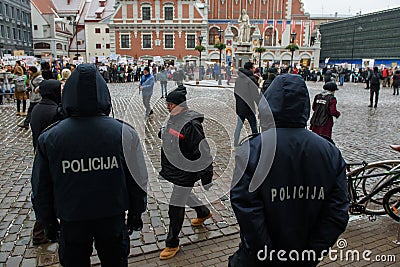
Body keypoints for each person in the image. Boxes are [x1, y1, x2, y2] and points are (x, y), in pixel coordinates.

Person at [31, 64, 148, 267]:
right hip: (112, 218)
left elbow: (41, 186)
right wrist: (137, 212)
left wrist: (47, 221)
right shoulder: (124, 133)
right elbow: (138, 179)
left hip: (72, 219)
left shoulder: (50, 137)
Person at [229, 74, 349, 266]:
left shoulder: (252, 150)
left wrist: (267, 254)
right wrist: (311, 253)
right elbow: (337, 212)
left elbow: (246, 208)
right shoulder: (330, 152)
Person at [159, 85, 213, 260]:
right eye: (167, 103)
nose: (168, 107)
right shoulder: (173, 118)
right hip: (177, 168)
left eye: (171, 104)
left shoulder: (192, 125)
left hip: (187, 171)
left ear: (182, 105)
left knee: (175, 205)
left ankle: (172, 243)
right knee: (184, 195)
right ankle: (203, 212)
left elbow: (204, 153)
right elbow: (168, 134)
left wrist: (207, 178)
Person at [29, 80, 62, 245]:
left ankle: (41, 230)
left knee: (42, 192)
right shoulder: (54, 111)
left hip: (40, 153)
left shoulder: (37, 108)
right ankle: (41, 231)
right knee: (48, 195)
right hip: (52, 157)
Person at [233, 62, 260, 147]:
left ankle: (235, 143)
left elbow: (235, 93)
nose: (254, 69)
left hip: (240, 106)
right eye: (253, 68)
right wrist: (260, 104)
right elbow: (255, 94)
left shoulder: (238, 79)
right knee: (253, 126)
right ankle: (257, 143)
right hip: (249, 107)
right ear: (250, 69)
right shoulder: (251, 79)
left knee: (239, 126)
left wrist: (239, 102)